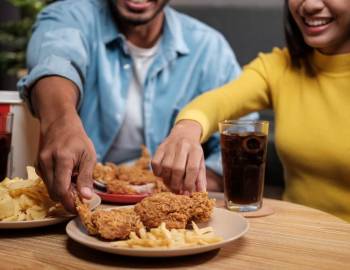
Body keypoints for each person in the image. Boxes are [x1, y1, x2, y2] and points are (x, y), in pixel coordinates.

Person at [17, 0, 257, 212]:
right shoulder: (69, 16)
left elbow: (245, 136)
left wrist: (190, 179)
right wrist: (61, 123)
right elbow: (55, 60)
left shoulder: (209, 47)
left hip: (170, 208)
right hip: (83, 203)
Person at [152, 0, 350, 222]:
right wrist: (186, 130)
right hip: (294, 236)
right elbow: (219, 100)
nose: (310, 5)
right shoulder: (277, 66)